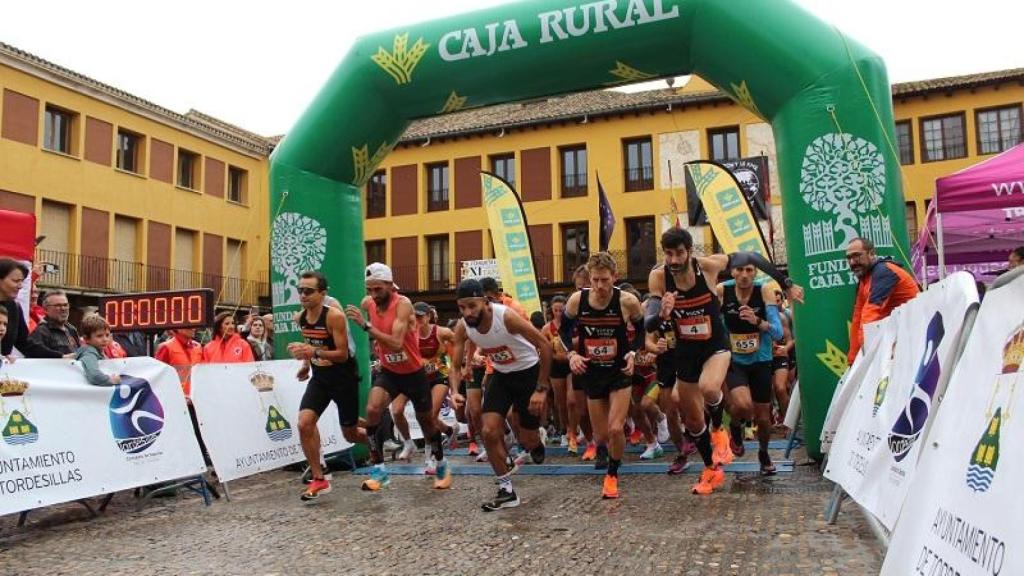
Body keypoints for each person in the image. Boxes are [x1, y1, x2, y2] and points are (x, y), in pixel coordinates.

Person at [645, 228, 803, 495]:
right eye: (669, 254)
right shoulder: (658, 277)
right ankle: (710, 468)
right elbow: (649, 322)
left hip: (715, 346)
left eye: (679, 253)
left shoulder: (708, 267)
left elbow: (752, 255)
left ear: (689, 252)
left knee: (709, 388)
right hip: (685, 352)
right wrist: (661, 314)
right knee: (693, 420)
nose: (674, 260)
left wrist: (786, 283)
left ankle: (719, 427)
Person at [346, 263, 451, 491]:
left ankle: (441, 464)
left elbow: (395, 343)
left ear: (390, 286)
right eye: (370, 290)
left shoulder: (402, 305)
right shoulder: (368, 303)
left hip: (413, 373)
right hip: (390, 372)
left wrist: (365, 326)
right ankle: (380, 471)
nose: (373, 295)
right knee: (373, 410)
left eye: (378, 289)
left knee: (427, 423)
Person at [449, 278, 551, 511]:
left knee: (527, 439)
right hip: (502, 376)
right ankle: (506, 491)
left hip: (528, 374)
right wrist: (454, 391)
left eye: (472, 305)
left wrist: (541, 389)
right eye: (462, 307)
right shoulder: (463, 327)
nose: (467, 312)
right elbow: (454, 365)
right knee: (488, 430)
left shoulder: (506, 317)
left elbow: (544, 345)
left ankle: (536, 442)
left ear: (485, 302)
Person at [561, 252, 645, 499]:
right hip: (592, 371)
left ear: (614, 277)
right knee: (602, 435)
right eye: (595, 280)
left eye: (604, 280)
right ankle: (605, 451)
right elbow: (563, 333)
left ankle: (612, 475)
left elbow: (641, 332)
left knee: (616, 428)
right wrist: (572, 355)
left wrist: (632, 352)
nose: (599, 286)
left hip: (619, 370)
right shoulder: (578, 300)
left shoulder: (627, 301)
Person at [287, 271, 369, 501]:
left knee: (351, 433)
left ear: (322, 294)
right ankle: (319, 478)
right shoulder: (300, 318)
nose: (303, 295)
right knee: (304, 423)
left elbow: (343, 354)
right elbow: (311, 342)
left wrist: (313, 352)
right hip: (320, 377)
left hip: (343, 376)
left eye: (309, 291)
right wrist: (306, 363)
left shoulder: (334, 316)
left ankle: (375, 440)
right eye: (300, 290)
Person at [716, 264, 784, 475]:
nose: (744, 275)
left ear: (755, 273)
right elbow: (715, 324)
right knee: (744, 405)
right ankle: (735, 427)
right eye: (740, 270)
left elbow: (778, 333)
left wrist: (758, 321)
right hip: (734, 361)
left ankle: (763, 453)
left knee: (763, 418)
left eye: (749, 270)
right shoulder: (722, 291)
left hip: (761, 360)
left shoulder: (764, 291)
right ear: (732, 271)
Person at [391, 301, 458, 470]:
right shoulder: (406, 333)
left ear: (428, 317)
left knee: (430, 417)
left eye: (421, 316)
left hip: (438, 377)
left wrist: (461, 362)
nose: (418, 320)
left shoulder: (441, 332)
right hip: (414, 378)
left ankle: (430, 455)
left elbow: (460, 341)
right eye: (415, 316)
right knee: (396, 409)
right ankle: (410, 442)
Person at [846, 238, 919, 364]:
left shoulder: (884, 272)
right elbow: (857, 319)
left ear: (871, 253)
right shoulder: (865, 279)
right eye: (849, 258)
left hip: (912, 338)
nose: (852, 262)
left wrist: (865, 359)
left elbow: (870, 317)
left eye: (857, 256)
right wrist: (852, 361)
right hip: (897, 337)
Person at [1, 258, 64, 361]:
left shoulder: (14, 308)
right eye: (15, 281)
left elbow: (24, 343)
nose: (20, 286)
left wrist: (60, 356)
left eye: (21, 281)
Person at [544, 295, 574, 452]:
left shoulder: (572, 324)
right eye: (556, 310)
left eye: (561, 310)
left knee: (571, 400)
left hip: (571, 365)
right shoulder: (547, 328)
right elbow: (544, 349)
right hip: (556, 367)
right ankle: (564, 430)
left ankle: (574, 430)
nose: (558, 313)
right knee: (560, 403)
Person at [28, 289, 80, 356]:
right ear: (46, 310)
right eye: (58, 305)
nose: (63, 308)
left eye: (65, 305)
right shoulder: (41, 332)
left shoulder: (71, 329)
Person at [76, 315, 121, 387]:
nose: (105, 339)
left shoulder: (99, 351)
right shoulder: (89, 353)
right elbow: (94, 375)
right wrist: (110, 380)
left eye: (107, 335)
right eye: (99, 336)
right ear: (86, 339)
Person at [155, 328, 203, 396]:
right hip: (175, 400)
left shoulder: (198, 347)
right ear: (178, 328)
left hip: (196, 399)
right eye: (189, 325)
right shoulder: (166, 347)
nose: (194, 328)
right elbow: (159, 379)